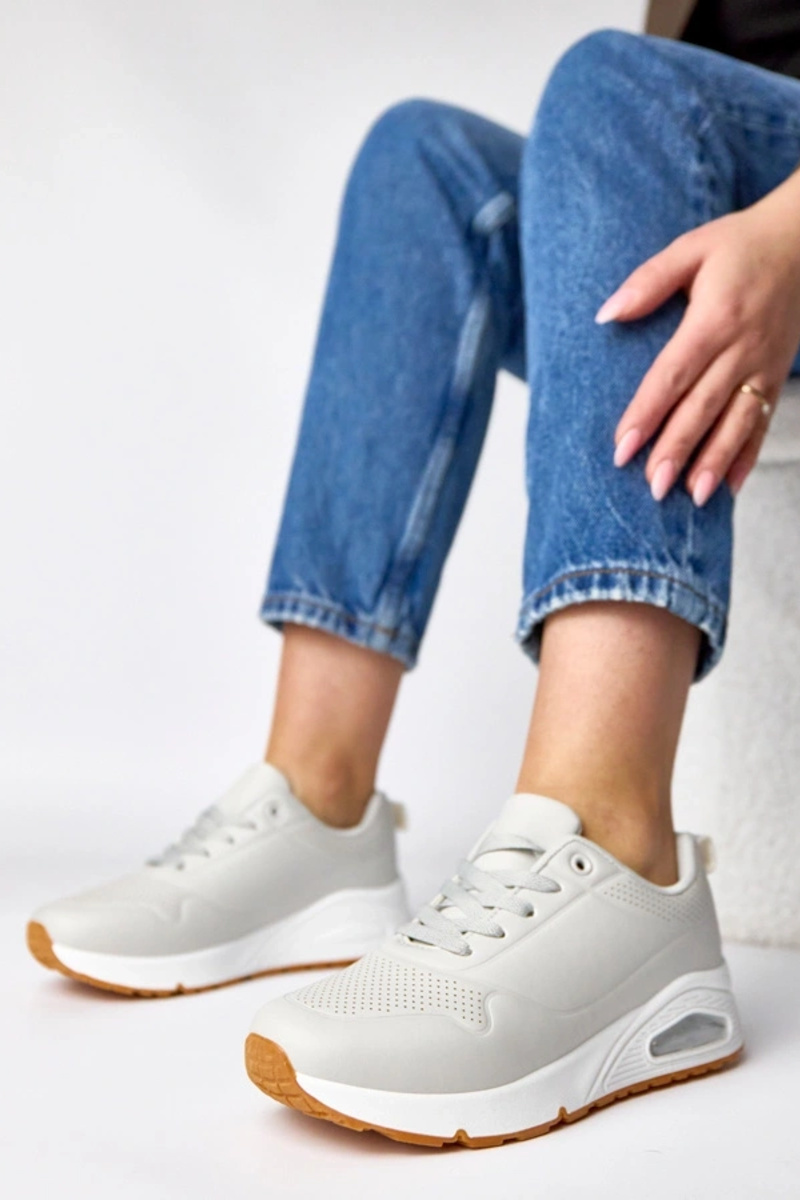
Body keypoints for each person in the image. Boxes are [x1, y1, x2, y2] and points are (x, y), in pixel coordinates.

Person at [26, 1, 800, 1148]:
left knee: (620, 89)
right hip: (718, 190)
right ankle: (318, 802)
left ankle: (610, 843)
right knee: (421, 160)